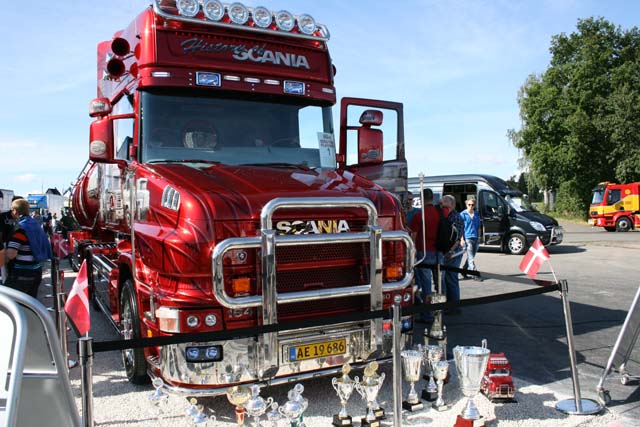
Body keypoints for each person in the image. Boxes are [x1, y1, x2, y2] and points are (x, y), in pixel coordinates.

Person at [410, 188, 448, 323]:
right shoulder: (443, 212)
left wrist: (412, 253)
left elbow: (413, 236)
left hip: (424, 252)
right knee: (440, 283)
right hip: (440, 251)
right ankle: (440, 311)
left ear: (421, 198)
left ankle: (428, 315)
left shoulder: (419, 215)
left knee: (426, 286)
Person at [4, 198, 53, 298]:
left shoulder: (20, 228)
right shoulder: (34, 224)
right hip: (36, 271)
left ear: (15, 211)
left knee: (10, 300)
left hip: (22, 273)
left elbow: (11, 254)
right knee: (30, 303)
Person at [440, 195, 464, 313]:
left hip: (453, 253)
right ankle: (450, 305)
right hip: (448, 252)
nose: (442, 208)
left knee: (451, 279)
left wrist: (450, 251)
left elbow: (457, 238)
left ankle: (454, 307)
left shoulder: (456, 217)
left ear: (453, 205)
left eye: (445, 206)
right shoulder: (447, 215)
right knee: (446, 279)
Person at [461, 198, 482, 281]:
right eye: (469, 205)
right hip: (467, 237)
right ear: (466, 205)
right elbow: (461, 228)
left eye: (472, 205)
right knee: (470, 257)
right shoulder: (463, 214)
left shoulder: (476, 214)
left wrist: (479, 237)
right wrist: (462, 239)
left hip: (475, 237)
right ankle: (475, 274)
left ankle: (464, 270)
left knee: (471, 256)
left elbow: (479, 227)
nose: (471, 206)